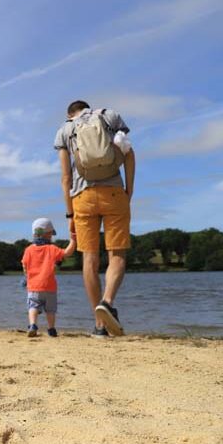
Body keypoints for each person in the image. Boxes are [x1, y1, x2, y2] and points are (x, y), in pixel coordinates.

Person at [54, 100, 135, 337]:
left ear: (70, 115)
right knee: (117, 254)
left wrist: (69, 213)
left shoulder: (65, 130)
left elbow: (65, 178)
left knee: (89, 260)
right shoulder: (109, 116)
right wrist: (128, 191)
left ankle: (99, 326)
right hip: (113, 192)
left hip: (82, 198)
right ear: (88, 108)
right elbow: (129, 156)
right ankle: (107, 302)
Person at [21, 218, 77, 337]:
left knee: (33, 306)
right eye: (51, 234)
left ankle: (32, 325)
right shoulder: (52, 249)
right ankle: (51, 329)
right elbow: (67, 252)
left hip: (33, 287)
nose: (52, 237)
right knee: (50, 310)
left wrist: (26, 277)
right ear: (47, 234)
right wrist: (73, 239)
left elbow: (24, 264)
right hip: (50, 287)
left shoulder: (28, 250)